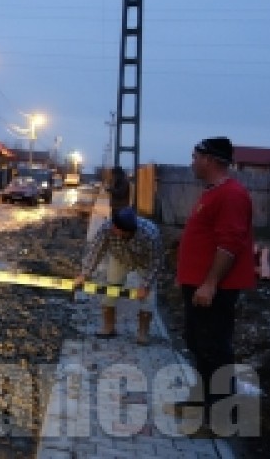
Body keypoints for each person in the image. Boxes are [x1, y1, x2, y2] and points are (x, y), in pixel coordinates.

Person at [173, 137, 255, 431]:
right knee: (198, 343)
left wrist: (209, 284)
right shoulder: (212, 192)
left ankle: (221, 417)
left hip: (214, 289)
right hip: (197, 285)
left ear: (209, 159)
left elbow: (229, 245)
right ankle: (201, 403)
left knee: (215, 348)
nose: (192, 161)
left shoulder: (231, 195)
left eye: (195, 156)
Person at [73, 206, 164, 345]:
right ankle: (109, 328)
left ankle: (143, 333)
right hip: (119, 258)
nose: (114, 232)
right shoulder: (106, 229)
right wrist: (84, 274)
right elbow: (96, 251)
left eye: (119, 231)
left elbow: (156, 262)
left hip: (144, 261)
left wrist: (145, 286)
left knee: (148, 296)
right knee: (110, 288)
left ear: (129, 232)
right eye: (114, 228)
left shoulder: (150, 233)